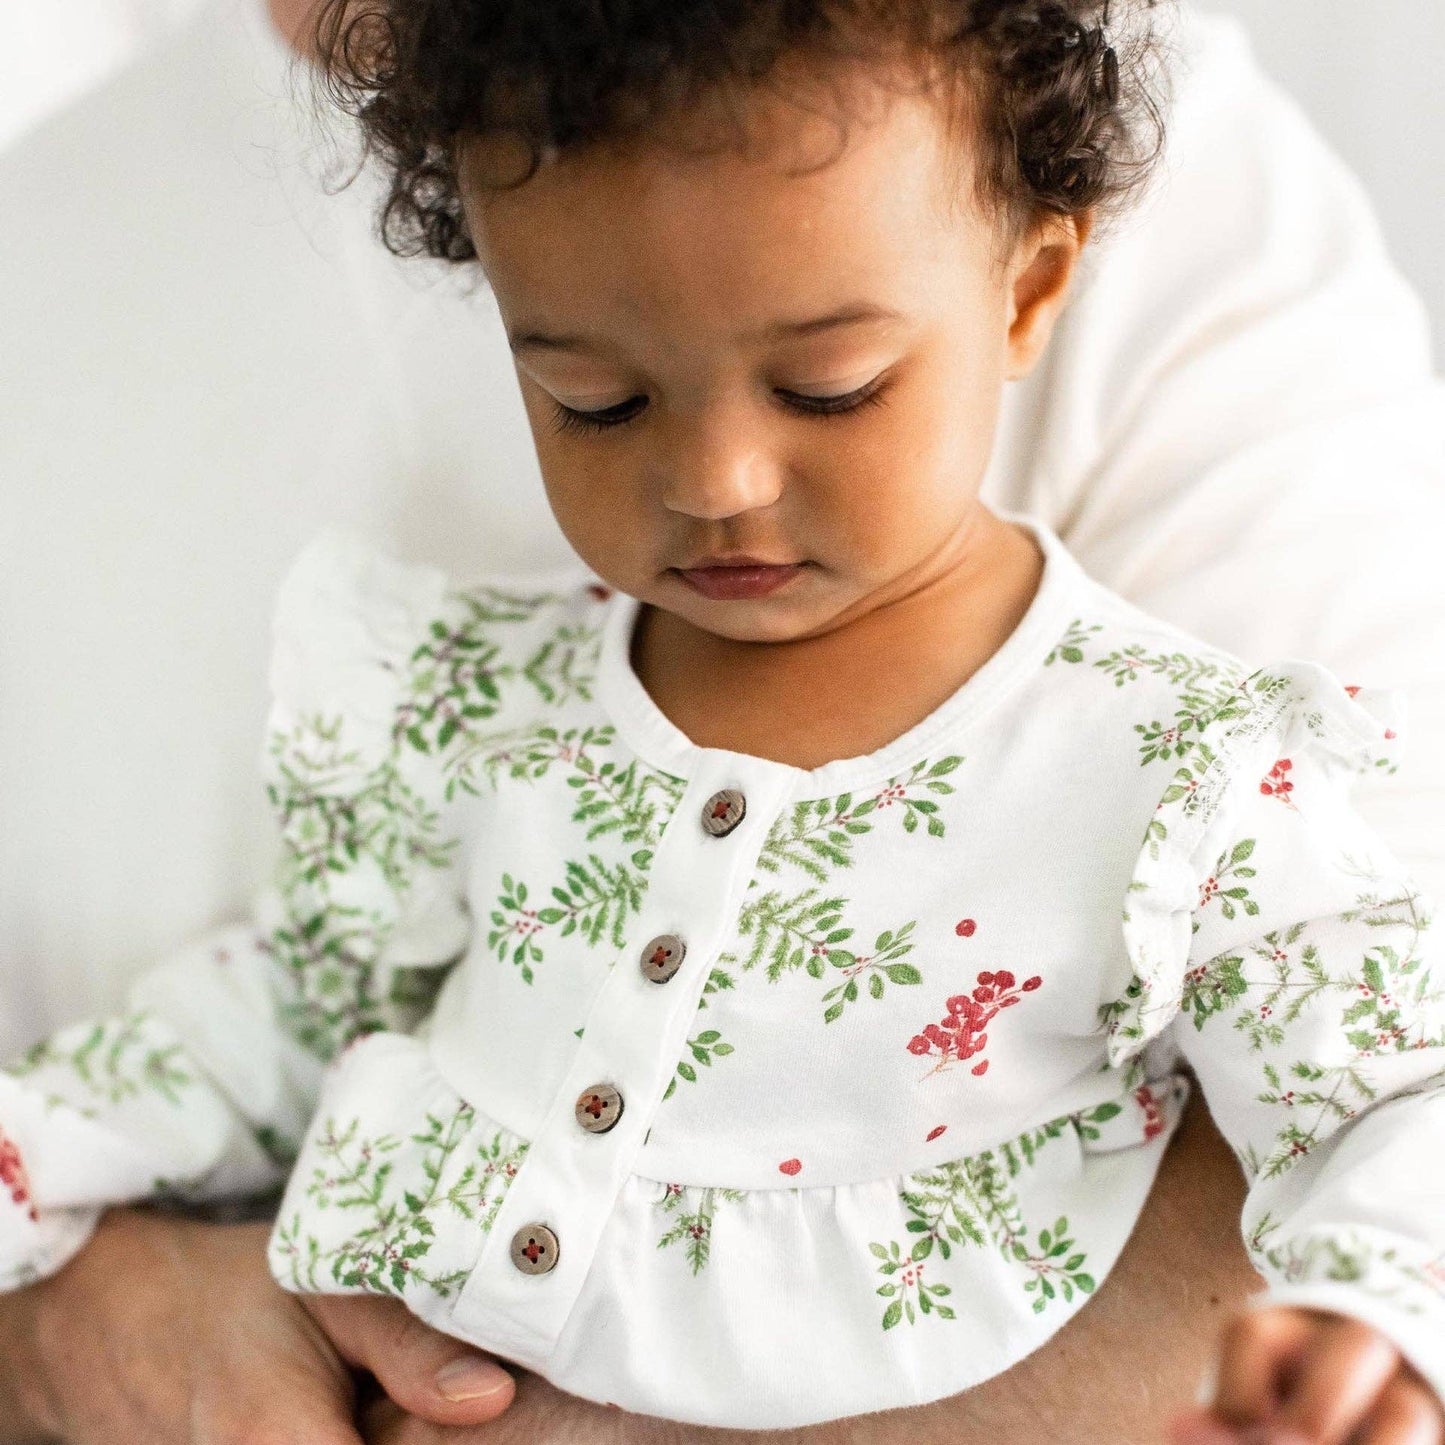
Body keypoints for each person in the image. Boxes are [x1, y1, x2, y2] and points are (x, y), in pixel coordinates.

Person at [3, 1, 1444, 1443]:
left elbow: (1383, 1082)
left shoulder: (1177, 765)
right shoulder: (477, 702)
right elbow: (293, 999)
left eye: (829, 388)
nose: (713, 478)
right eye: (597, 401)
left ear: (1025, 291)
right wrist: (45, 1195)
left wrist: (1372, 1316)